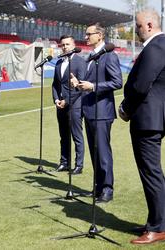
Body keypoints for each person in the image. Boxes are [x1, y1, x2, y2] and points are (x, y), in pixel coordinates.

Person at [119, 9, 165, 245]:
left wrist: (125, 108)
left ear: (149, 25)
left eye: (137, 26)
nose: (136, 31)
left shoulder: (156, 45)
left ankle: (157, 227)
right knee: (154, 173)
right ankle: (157, 221)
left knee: (151, 173)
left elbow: (141, 86)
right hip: (155, 117)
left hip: (148, 119)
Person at [71, 23, 122, 203]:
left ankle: (107, 189)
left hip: (102, 112)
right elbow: (89, 83)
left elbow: (117, 82)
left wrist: (93, 86)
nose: (86, 37)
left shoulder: (110, 56)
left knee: (103, 152)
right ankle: (98, 187)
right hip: (90, 111)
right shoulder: (91, 57)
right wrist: (79, 84)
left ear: (100, 35)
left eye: (89, 34)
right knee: (94, 152)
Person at [52, 35, 86, 173]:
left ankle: (79, 165)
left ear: (73, 45)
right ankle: (64, 162)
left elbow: (81, 85)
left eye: (67, 44)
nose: (65, 47)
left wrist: (67, 100)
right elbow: (55, 84)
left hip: (75, 105)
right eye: (63, 45)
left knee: (77, 136)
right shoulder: (59, 62)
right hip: (60, 106)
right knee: (63, 136)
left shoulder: (80, 62)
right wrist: (56, 100)